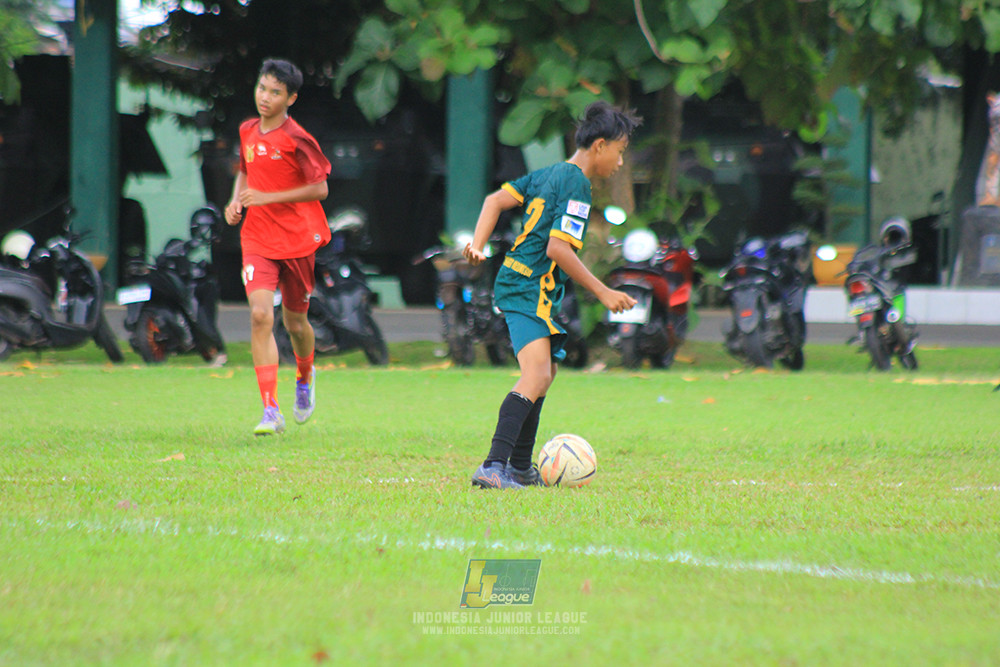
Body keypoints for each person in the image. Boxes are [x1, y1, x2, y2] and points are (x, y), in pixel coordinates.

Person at [463, 101, 642, 489]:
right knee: (537, 374)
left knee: (546, 373)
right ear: (599, 145)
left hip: (526, 284)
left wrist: (479, 245)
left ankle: (521, 467)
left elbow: (494, 200)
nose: (621, 162)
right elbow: (558, 250)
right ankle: (493, 466)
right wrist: (604, 291)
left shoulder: (550, 174)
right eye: (621, 151)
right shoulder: (577, 183)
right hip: (526, 285)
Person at [225, 58, 331, 436]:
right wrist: (235, 201)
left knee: (295, 322)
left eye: (274, 92)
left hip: (297, 240)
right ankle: (270, 408)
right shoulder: (247, 130)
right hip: (256, 238)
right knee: (259, 316)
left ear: (291, 98)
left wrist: (268, 197)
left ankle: (304, 374)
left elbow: (321, 188)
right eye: (261, 88)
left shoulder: (298, 139)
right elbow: (244, 170)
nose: (264, 97)